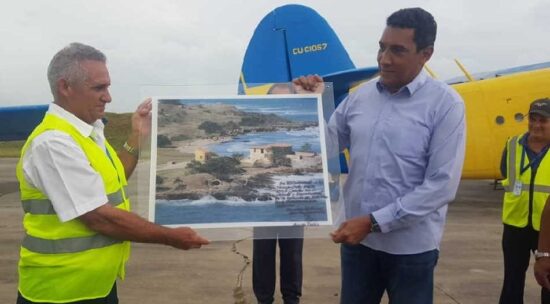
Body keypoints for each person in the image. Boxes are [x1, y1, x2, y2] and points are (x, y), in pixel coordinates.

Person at [294, 7, 465, 304]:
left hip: (411, 249)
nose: (384, 59)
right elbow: (327, 147)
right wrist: (309, 106)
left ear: (426, 54)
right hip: (358, 244)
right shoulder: (360, 97)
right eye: (382, 47)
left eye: (398, 50)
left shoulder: (445, 104)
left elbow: (441, 184)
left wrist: (372, 222)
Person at [15, 42, 209, 304]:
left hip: (95, 285)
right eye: (99, 88)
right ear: (65, 87)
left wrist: (137, 133)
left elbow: (114, 178)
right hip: (61, 291)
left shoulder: (88, 131)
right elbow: (99, 218)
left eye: (107, 87)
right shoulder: (53, 142)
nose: (108, 97)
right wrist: (171, 236)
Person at [252, 83, 304, 304]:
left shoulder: (299, 129)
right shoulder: (259, 131)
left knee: (292, 256)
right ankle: (264, 300)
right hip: (264, 202)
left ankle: (291, 300)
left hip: (293, 202)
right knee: (262, 255)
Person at [500, 98, 550, 303]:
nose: (536, 125)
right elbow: (505, 171)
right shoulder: (512, 145)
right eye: (533, 119)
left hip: (547, 228)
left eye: (543, 121)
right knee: (512, 281)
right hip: (515, 225)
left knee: (548, 280)